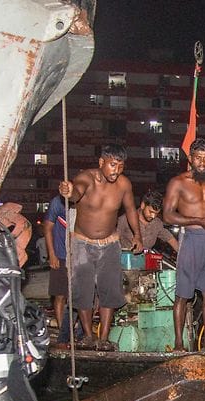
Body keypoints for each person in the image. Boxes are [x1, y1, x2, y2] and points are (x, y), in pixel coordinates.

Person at [59, 144, 142, 351]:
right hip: (82, 243)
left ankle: (103, 338)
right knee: (82, 291)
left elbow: (131, 210)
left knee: (110, 291)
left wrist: (137, 235)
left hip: (109, 243)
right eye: (113, 165)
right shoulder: (86, 178)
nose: (117, 171)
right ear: (101, 162)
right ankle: (88, 336)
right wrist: (68, 192)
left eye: (121, 166)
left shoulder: (123, 184)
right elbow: (76, 193)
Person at [162, 138, 205, 351]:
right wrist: (197, 221)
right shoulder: (178, 182)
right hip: (190, 239)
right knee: (183, 294)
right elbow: (168, 216)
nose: (202, 163)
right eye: (197, 158)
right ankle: (179, 343)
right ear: (190, 158)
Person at [42, 193, 78, 345]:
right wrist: (52, 254)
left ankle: (75, 330)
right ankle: (64, 332)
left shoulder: (83, 201)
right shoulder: (57, 202)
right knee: (60, 295)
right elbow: (47, 228)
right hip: (60, 254)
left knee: (78, 296)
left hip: (78, 255)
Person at [118, 189, 178, 253]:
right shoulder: (125, 219)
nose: (153, 216)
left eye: (156, 213)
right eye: (151, 212)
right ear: (143, 205)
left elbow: (171, 240)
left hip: (147, 260)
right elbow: (114, 239)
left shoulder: (157, 223)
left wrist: (184, 255)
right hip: (125, 260)